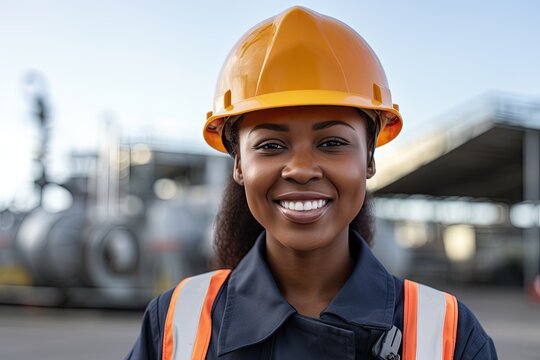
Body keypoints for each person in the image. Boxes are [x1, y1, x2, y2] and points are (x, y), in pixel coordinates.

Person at [127, 6, 497, 359]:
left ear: (369, 158)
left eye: (332, 143)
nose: (301, 169)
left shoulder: (448, 335)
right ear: (239, 164)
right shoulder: (175, 324)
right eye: (271, 145)